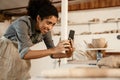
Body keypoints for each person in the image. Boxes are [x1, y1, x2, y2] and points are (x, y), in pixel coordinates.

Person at [0, 0, 74, 80]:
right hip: (6, 51)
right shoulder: (22, 23)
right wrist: (54, 49)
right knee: (5, 76)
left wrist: (67, 54)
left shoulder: (45, 30)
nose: (50, 27)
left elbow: (53, 54)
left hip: (22, 53)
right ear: (39, 18)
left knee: (22, 77)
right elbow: (25, 54)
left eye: (53, 24)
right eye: (48, 23)